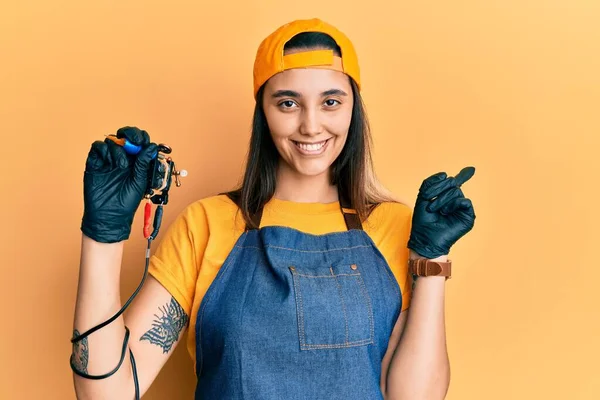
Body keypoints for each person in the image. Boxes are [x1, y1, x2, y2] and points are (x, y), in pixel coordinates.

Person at [71, 18, 476, 400]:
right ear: (263, 113)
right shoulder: (206, 225)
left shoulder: (395, 226)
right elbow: (108, 392)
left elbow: (413, 395)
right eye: (288, 103)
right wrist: (102, 236)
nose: (311, 126)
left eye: (331, 101)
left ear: (354, 109)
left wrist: (430, 259)